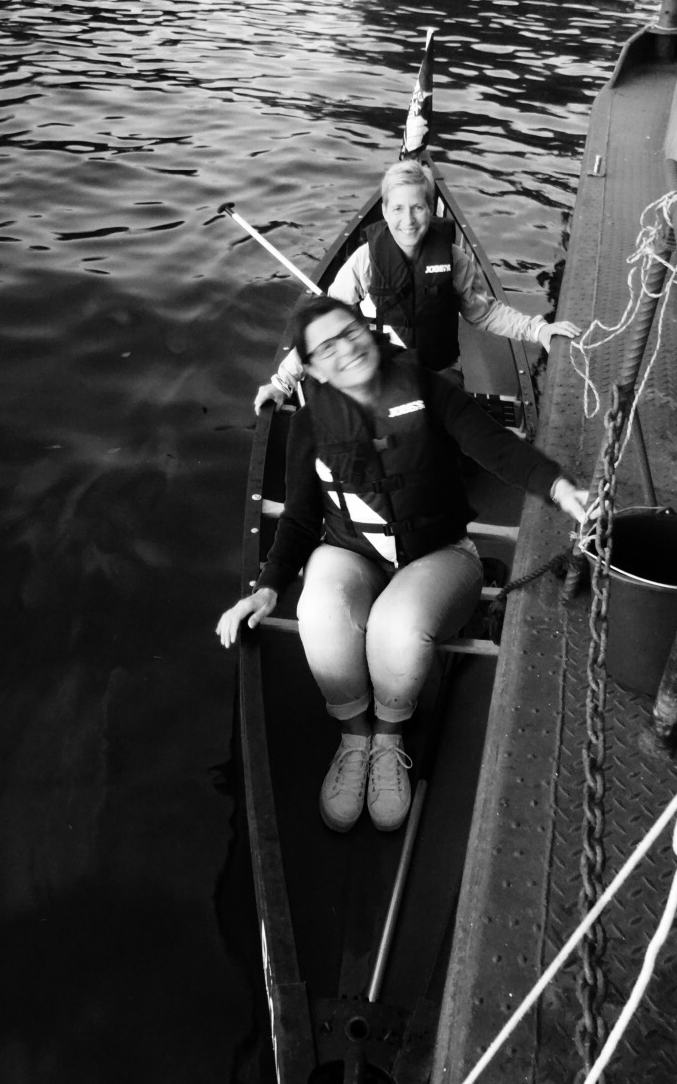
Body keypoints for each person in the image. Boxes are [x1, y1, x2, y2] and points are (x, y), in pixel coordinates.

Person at [218, 296, 587, 834]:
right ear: (311, 369)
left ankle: (389, 736)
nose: (346, 349)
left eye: (350, 332)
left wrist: (558, 487)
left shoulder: (429, 390)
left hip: (440, 556)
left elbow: (497, 448)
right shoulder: (311, 425)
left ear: (367, 330)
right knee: (319, 609)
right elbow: (299, 520)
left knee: (398, 626)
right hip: (354, 553)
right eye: (327, 348)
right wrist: (267, 587)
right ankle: (355, 736)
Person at [253, 160, 582, 413]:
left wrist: (537, 329)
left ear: (430, 210)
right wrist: (283, 383)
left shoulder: (455, 260)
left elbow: (484, 313)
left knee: (442, 437)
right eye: (398, 208)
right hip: (383, 371)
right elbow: (321, 326)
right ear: (384, 211)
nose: (408, 220)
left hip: (440, 370)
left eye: (418, 207)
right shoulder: (364, 260)